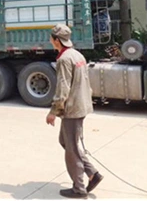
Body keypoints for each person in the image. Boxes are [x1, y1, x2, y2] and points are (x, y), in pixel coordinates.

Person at [46, 24, 103, 199]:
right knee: (66, 141)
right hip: (81, 105)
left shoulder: (64, 59)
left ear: (56, 40)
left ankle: (79, 189)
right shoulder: (77, 55)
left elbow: (63, 88)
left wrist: (53, 111)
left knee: (71, 148)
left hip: (73, 108)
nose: (50, 40)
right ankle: (92, 173)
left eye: (51, 38)